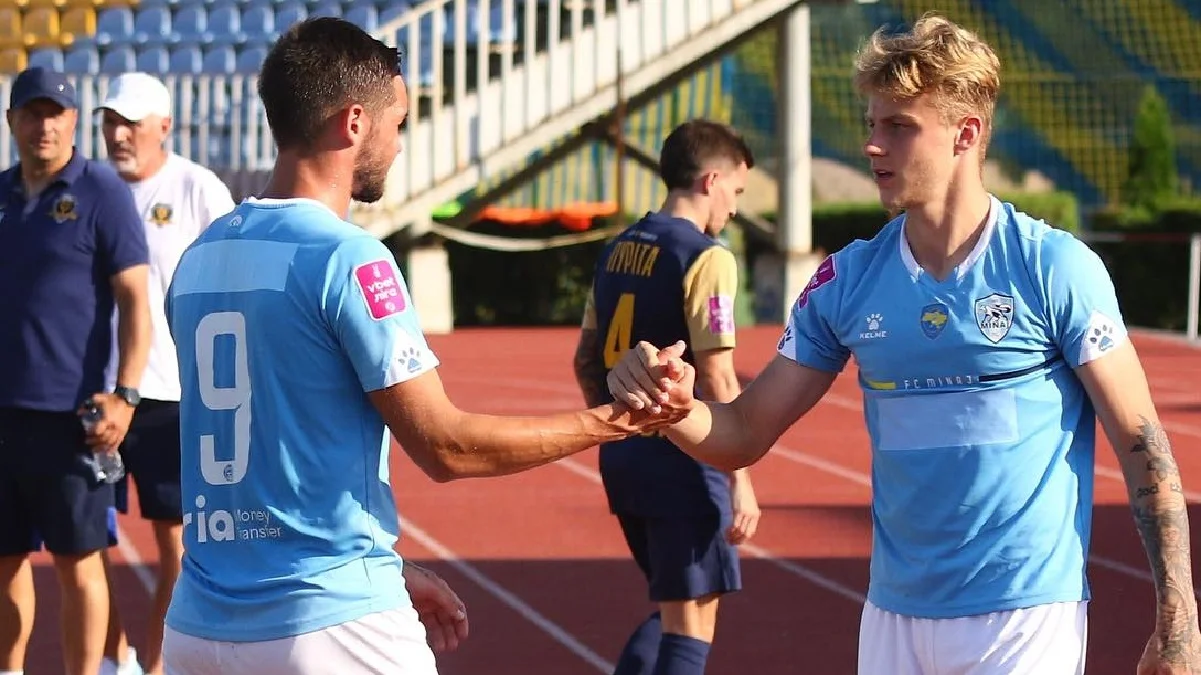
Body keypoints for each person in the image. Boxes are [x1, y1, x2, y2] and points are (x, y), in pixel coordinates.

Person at [604, 14, 1201, 675]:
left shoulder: (1051, 267)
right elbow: (743, 431)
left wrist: (1178, 622)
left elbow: (1142, 442)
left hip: (1023, 618)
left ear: (965, 134)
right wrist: (674, 407)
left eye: (898, 126)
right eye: (870, 124)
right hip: (893, 618)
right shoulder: (847, 280)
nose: (872, 145)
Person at [159, 17, 682, 674]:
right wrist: (618, 420)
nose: (400, 143)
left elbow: (268, 452)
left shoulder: (199, 257)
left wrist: (391, 566)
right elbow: (446, 446)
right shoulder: (347, 257)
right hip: (327, 624)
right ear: (354, 122)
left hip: (197, 628)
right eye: (397, 122)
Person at [572, 119, 760, 675]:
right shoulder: (706, 257)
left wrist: (620, 428)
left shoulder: (616, 249)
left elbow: (585, 360)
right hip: (685, 459)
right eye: (736, 190)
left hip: (624, 460)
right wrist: (740, 476)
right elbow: (718, 376)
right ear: (710, 181)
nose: (735, 207)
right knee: (691, 626)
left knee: (675, 608)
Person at [0, 67, 151, 675]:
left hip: (72, 420)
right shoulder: (1, 194)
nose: (44, 125)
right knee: (5, 562)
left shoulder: (101, 192)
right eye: (32, 113)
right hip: (3, 417)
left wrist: (126, 394)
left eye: (55, 113)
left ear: (73, 121)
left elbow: (135, 300)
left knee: (78, 562)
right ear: (12, 121)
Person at [93, 71, 238, 675]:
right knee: (84, 542)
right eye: (110, 122)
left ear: (165, 127)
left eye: (131, 123)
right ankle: (113, 658)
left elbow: (234, 278)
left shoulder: (197, 188)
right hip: (94, 394)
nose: (119, 134)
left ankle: (153, 666)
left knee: (174, 543)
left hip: (172, 394)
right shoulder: (89, 188)